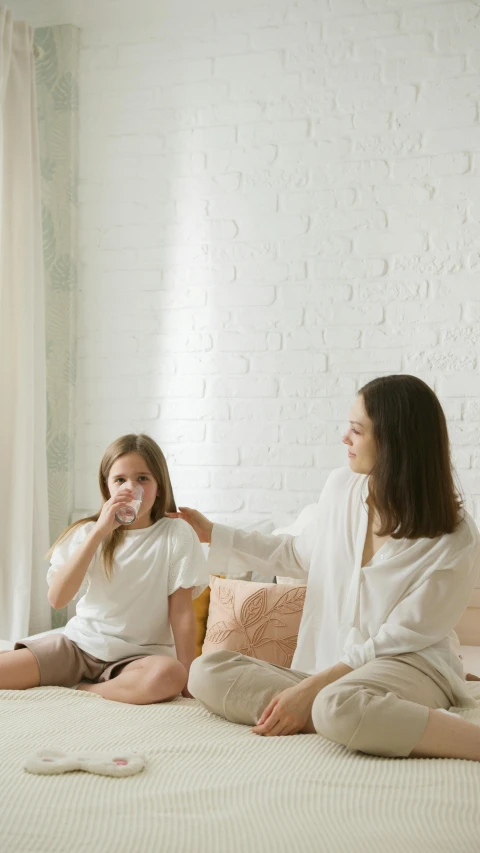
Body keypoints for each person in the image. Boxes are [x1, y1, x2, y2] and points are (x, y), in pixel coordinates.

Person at [169, 376, 480, 760]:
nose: (344, 438)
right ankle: (335, 714)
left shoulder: (454, 534)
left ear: (394, 441)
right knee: (206, 671)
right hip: (328, 669)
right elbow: (298, 554)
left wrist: (313, 690)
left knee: (338, 704)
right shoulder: (341, 489)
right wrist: (212, 533)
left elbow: (402, 636)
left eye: (356, 430)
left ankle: (341, 713)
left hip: (408, 665)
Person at [0, 434, 208, 704]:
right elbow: (57, 598)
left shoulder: (176, 533)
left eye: (143, 478)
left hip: (137, 659)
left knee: (171, 675)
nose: (131, 487)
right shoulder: (87, 532)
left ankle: (86, 689)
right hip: (77, 648)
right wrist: (99, 532)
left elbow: (181, 612)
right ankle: (76, 677)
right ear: (107, 486)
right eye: (120, 480)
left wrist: (188, 675)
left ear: (159, 486)